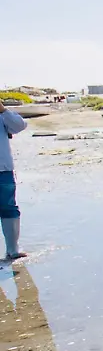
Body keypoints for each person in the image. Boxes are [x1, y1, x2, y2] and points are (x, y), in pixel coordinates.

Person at [0, 100, 28, 261]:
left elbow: (19, 126)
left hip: (3, 169)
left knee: (8, 207)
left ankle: (12, 249)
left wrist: (3, 110)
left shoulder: (3, 116)